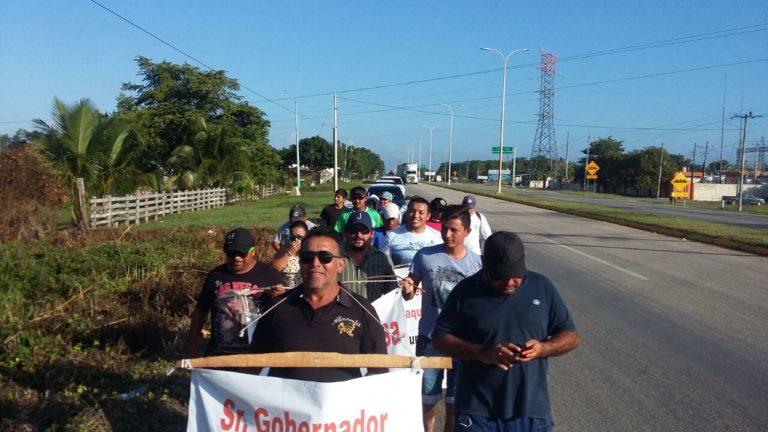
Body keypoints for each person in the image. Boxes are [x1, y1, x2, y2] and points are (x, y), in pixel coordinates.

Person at [432, 231, 580, 432]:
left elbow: (570, 336)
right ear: (484, 262)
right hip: (476, 410)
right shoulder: (465, 291)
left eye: (515, 274)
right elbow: (440, 339)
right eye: (500, 275)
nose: (509, 282)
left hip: (530, 411)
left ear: (524, 258)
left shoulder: (542, 287)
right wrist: (483, 352)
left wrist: (543, 348)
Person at [250, 227, 387, 383]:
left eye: (325, 257)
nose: (315, 263)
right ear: (300, 263)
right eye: (307, 257)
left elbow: (379, 371)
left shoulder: (363, 311)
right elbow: (251, 366)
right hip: (285, 406)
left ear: (340, 265)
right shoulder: (277, 308)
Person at [401, 206, 482, 432]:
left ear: (467, 231)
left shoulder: (478, 264)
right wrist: (407, 288)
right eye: (445, 228)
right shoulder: (425, 256)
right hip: (431, 339)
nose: (447, 234)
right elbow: (410, 288)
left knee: (455, 402)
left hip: (463, 344)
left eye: (454, 230)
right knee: (428, 399)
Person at [187, 228, 284, 357]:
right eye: (231, 254)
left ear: (253, 252)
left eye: (241, 253)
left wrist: (280, 297)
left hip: (257, 358)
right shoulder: (216, 276)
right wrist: (191, 347)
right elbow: (200, 311)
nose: (236, 258)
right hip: (220, 356)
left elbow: (285, 314)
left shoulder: (269, 275)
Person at [339, 211, 398, 301]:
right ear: (346, 232)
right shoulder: (333, 259)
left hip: (373, 313)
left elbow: (393, 296)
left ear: (372, 233)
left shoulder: (383, 259)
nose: (359, 235)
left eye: (364, 231)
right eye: (354, 230)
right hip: (342, 314)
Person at [382, 196, 442, 267]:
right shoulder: (391, 236)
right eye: (412, 211)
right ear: (407, 213)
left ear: (428, 216)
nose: (416, 215)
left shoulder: (438, 237)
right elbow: (382, 265)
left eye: (421, 212)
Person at [270, 220, 308, 289]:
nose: (296, 240)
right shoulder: (284, 249)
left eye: (299, 237)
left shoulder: (309, 250)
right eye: (292, 238)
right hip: (286, 291)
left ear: (306, 236)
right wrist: (288, 253)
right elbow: (274, 270)